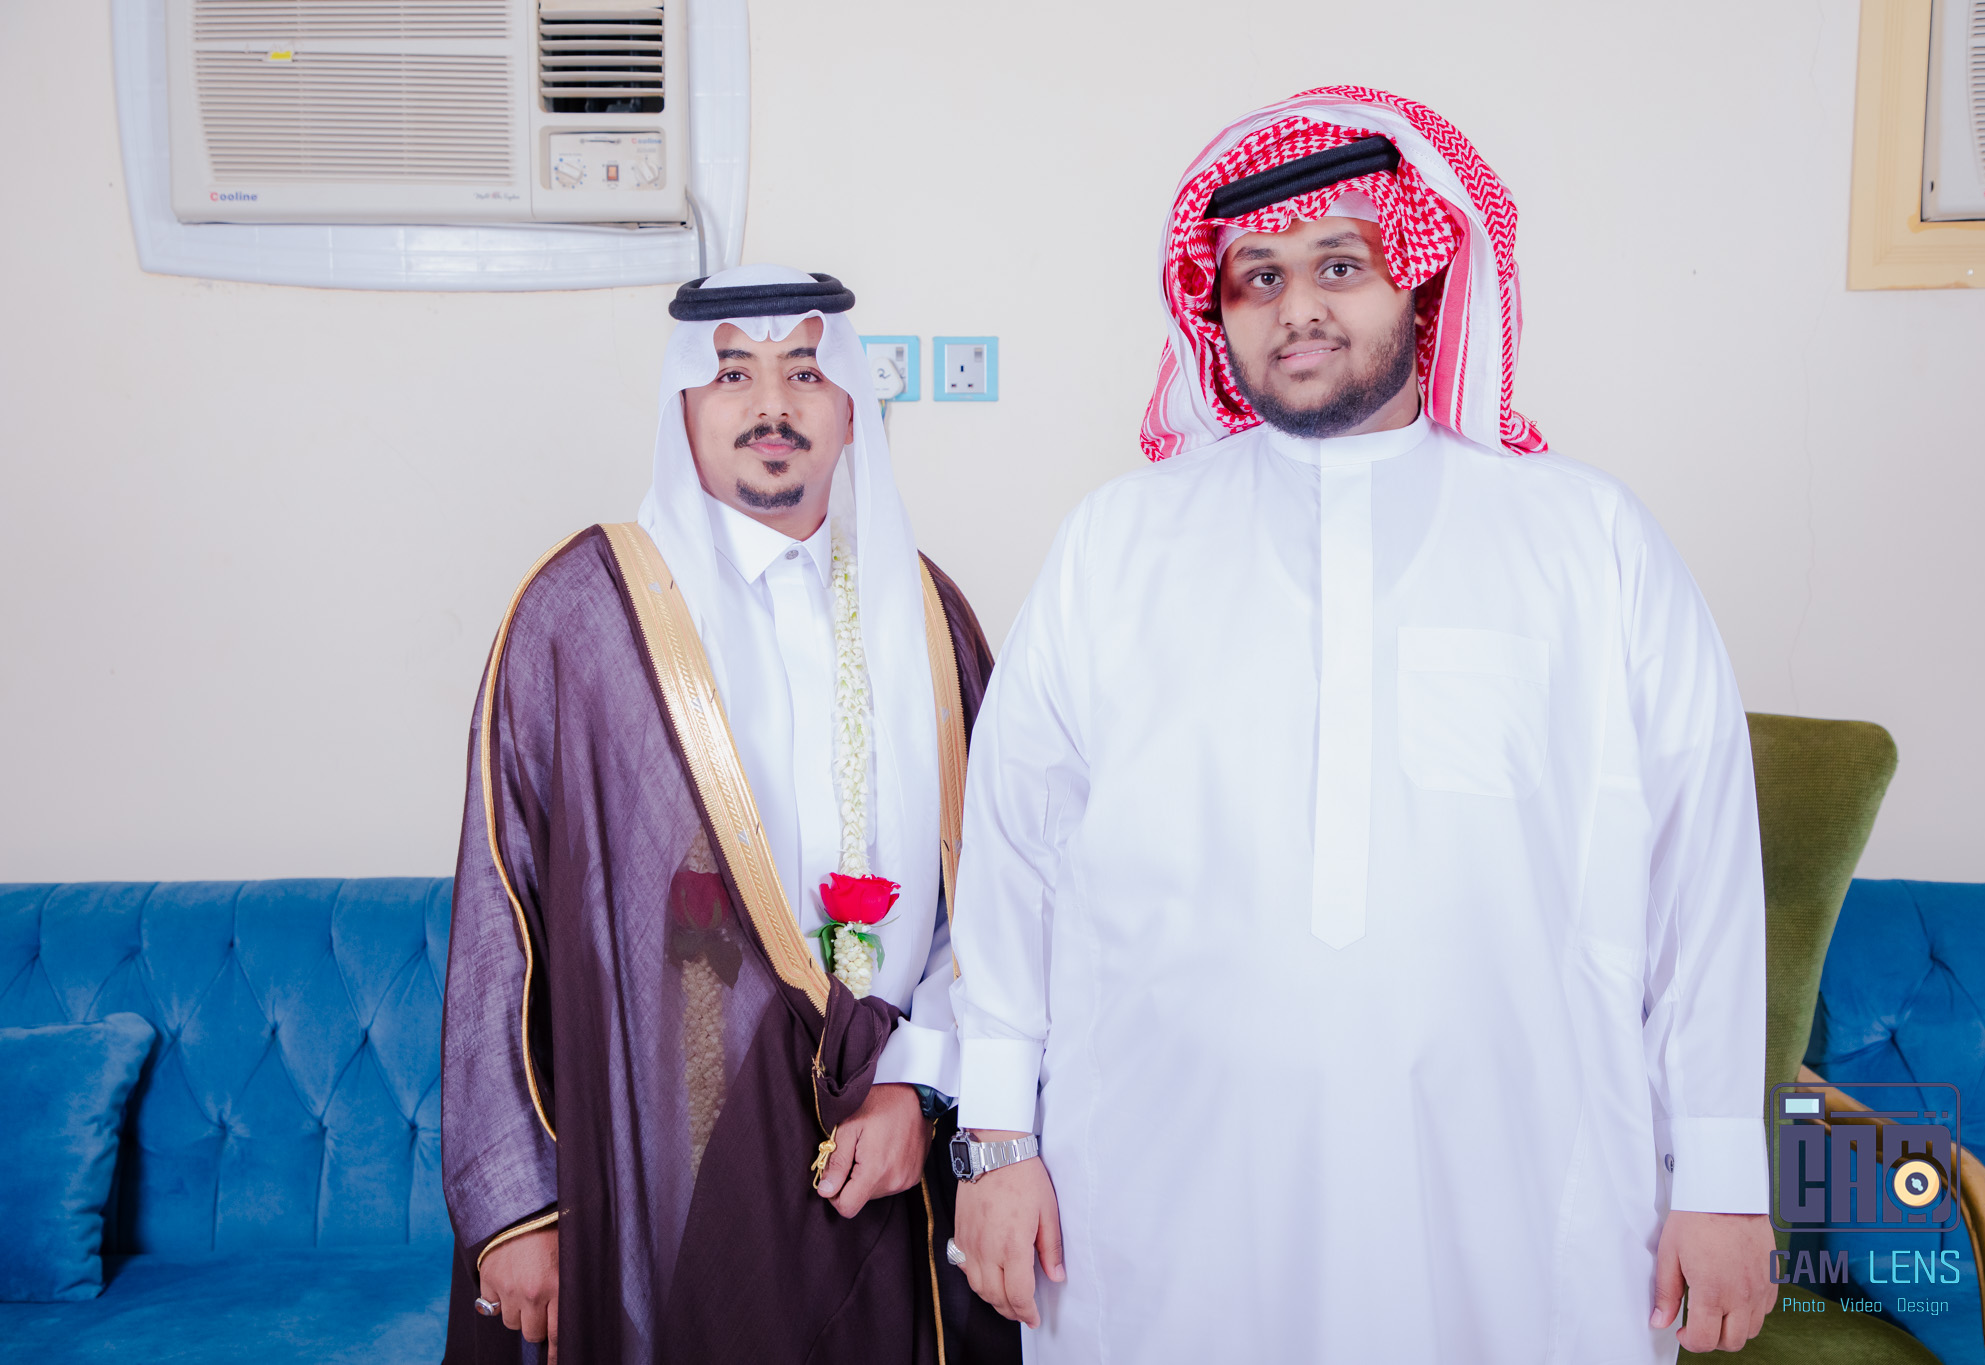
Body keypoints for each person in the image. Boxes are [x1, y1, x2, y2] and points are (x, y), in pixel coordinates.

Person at [945, 88, 1775, 1362]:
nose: (1297, 307)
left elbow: (1699, 871)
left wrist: (1718, 1173)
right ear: (1216, 311)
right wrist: (996, 1141)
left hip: (1512, 1181)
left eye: (1339, 264)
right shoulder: (1117, 543)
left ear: (1419, 283)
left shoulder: (1583, 538)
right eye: (1257, 277)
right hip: (1163, 1184)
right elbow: (1014, 858)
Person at [441, 264, 1017, 1365]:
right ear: (683, 408)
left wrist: (917, 1082)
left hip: (887, 1146)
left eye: (804, 372)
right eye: (732, 375)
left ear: (849, 408)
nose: (771, 406)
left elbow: (990, 893)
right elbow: (500, 917)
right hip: (659, 1151)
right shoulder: (584, 613)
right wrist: (519, 1209)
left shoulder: (928, 615)